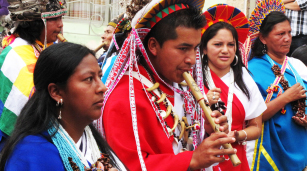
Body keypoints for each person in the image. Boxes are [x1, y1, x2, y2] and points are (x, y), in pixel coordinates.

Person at [98, 0, 237, 170]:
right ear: (153, 46)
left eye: (195, 48)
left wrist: (206, 130)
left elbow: (184, 141)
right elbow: (128, 165)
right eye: (183, 48)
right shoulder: (124, 98)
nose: (192, 59)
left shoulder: (179, 84)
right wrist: (192, 160)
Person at [0, 42, 122, 171]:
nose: (102, 87)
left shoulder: (91, 140)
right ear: (56, 92)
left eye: (100, 76)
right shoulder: (32, 155)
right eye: (89, 79)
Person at [200, 5, 266, 171]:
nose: (225, 50)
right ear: (204, 48)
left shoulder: (244, 78)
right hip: (201, 157)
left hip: (235, 158)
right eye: (218, 44)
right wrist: (203, 103)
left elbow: (256, 128)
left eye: (231, 44)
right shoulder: (192, 78)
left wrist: (237, 135)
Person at [0, 0, 66, 150]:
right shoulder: (16, 54)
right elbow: (35, 98)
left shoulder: (47, 46)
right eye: (53, 19)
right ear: (36, 24)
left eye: (61, 18)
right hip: (21, 142)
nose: (60, 24)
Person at [248, 11, 307, 171]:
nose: (287, 38)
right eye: (280, 34)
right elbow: (252, 117)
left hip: (299, 145)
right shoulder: (252, 70)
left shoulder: (298, 66)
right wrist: (286, 97)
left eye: (289, 33)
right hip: (270, 148)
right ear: (263, 38)